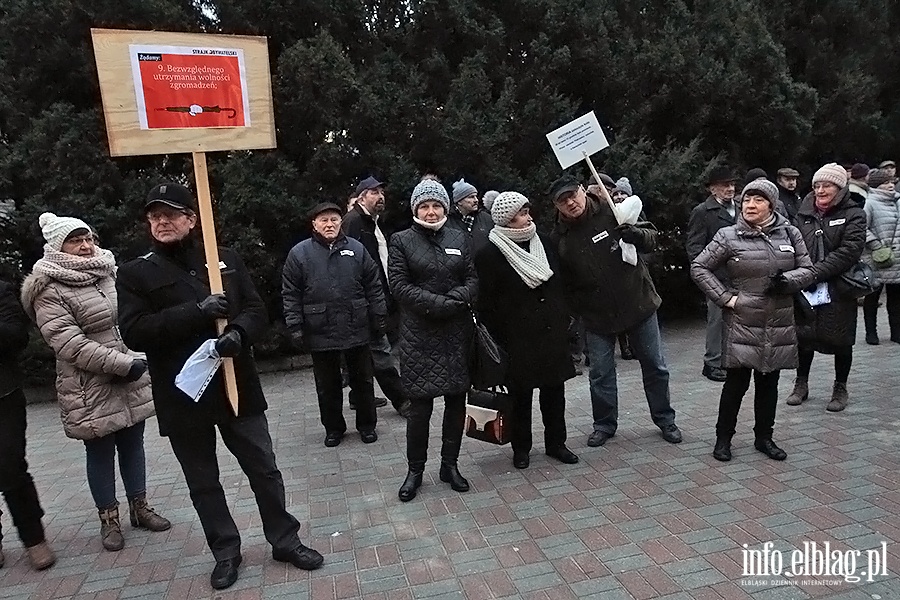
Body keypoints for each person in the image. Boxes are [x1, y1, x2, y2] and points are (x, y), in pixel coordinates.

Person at [116, 183, 323, 590]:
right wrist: (196, 313)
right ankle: (226, 551)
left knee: (264, 468)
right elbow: (135, 332)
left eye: (171, 214)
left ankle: (285, 540)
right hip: (182, 394)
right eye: (155, 216)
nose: (162, 221)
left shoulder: (223, 259)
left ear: (192, 220)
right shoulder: (136, 272)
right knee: (203, 481)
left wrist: (241, 334)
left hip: (235, 384)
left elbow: (256, 308)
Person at [21, 213, 170, 553]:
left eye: (88, 238)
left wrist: (137, 356)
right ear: (59, 247)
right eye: (76, 240)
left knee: (133, 442)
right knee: (100, 450)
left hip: (130, 371)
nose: (86, 245)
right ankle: (109, 520)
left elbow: (131, 318)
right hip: (90, 384)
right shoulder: (48, 287)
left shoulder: (109, 272)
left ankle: (140, 508)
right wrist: (122, 364)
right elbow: (67, 342)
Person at [550, 175, 682, 447]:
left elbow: (652, 238)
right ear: (556, 206)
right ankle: (604, 425)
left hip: (638, 303)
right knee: (600, 374)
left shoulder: (613, 209)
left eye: (573, 195)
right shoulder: (559, 238)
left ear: (583, 191)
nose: (571, 203)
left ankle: (665, 419)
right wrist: (578, 310)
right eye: (563, 201)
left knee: (655, 366)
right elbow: (563, 282)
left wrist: (635, 234)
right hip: (596, 315)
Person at [691, 180, 814, 462]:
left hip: (779, 320)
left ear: (771, 205)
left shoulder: (790, 233)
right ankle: (723, 440)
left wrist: (786, 282)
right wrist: (726, 298)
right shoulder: (728, 236)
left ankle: (764, 438)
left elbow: (807, 270)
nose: (750, 205)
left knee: (769, 383)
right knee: (736, 384)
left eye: (757, 200)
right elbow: (699, 267)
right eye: (746, 200)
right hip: (743, 320)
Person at [474, 191, 579, 469]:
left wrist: (563, 316)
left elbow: (560, 282)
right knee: (520, 397)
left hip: (551, 331)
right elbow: (486, 302)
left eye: (528, 210)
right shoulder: (490, 253)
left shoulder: (543, 241)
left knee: (555, 394)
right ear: (507, 219)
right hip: (516, 338)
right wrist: (501, 338)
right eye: (521, 213)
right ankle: (521, 449)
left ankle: (557, 443)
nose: (528, 217)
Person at [388, 179, 477, 502]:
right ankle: (415, 471)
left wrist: (458, 298)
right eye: (424, 206)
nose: (430, 211)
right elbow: (398, 285)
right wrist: (439, 304)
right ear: (415, 209)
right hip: (418, 336)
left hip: (456, 333)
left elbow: (471, 279)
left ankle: (449, 466)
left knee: (455, 403)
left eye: (436, 205)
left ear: (445, 207)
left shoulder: (458, 237)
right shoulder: (401, 241)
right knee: (420, 409)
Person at [283, 202, 385, 446]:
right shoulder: (299, 254)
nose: (329, 224)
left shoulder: (357, 250)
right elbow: (290, 293)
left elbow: (374, 285)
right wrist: (295, 326)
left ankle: (367, 425)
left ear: (341, 222)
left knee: (363, 381)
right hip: (320, 329)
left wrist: (379, 316)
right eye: (324, 220)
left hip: (356, 325)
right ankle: (334, 429)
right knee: (327, 386)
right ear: (314, 225)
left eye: (334, 220)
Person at [784, 164, 866, 412]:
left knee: (842, 339)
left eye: (827, 185)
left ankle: (840, 387)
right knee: (804, 336)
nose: (820, 190)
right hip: (808, 286)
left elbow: (849, 251)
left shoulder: (854, 214)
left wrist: (815, 272)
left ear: (840, 188)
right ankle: (801, 384)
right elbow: (794, 244)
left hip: (839, 287)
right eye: (817, 185)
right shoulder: (803, 213)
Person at [0, 278, 55, 570]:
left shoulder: (2, 290)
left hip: (3, 395)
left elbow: (15, 336)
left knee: (10, 467)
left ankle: (34, 538)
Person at [341, 176, 407, 415]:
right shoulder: (354, 222)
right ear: (361, 197)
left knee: (369, 353)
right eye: (373, 192)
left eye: (381, 192)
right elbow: (350, 265)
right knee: (381, 351)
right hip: (366, 301)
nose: (380, 196)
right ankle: (402, 400)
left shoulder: (371, 222)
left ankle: (359, 397)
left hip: (379, 297)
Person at [686, 166, 739, 382]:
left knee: (736, 320)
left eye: (732, 184)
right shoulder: (702, 212)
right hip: (716, 275)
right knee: (716, 320)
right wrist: (703, 273)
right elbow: (694, 246)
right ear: (712, 189)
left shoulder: (741, 208)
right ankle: (712, 362)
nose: (730, 188)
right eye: (725, 185)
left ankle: (731, 360)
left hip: (739, 273)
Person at [861, 169, 900, 344]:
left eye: (891, 181)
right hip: (877, 258)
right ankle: (871, 332)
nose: (890, 185)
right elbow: (862, 228)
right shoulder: (869, 203)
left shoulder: (898, 201)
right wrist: (876, 244)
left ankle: (896, 332)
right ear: (876, 185)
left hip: (897, 258)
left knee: (896, 299)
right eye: (885, 182)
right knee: (872, 297)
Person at [447, 178, 494, 253]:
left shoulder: (487, 219)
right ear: (459, 201)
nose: (476, 200)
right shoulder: (447, 220)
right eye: (471, 197)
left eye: (476, 196)